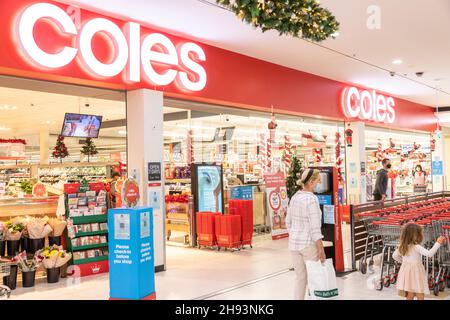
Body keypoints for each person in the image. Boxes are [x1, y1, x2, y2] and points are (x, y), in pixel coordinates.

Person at [286, 168, 326, 300]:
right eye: (318, 180)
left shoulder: (295, 197)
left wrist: (295, 235)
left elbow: (288, 222)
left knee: (300, 278)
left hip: (294, 245)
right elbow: (315, 229)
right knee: (314, 279)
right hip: (308, 246)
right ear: (311, 182)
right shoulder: (311, 200)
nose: (319, 183)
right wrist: (321, 250)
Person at [393, 223, 446, 300]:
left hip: (406, 272)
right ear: (416, 235)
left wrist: (404, 263)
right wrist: (438, 243)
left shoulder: (402, 246)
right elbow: (429, 254)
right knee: (420, 293)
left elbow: (394, 256)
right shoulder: (416, 247)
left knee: (410, 294)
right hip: (416, 272)